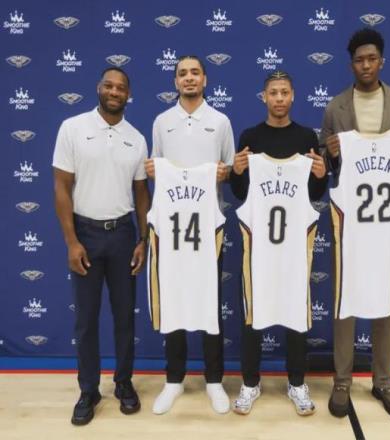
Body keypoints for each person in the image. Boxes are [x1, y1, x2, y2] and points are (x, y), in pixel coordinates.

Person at [320, 28, 390, 421]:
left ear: (381, 61)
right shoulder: (335, 107)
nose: (365, 65)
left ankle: (384, 380)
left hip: (387, 219)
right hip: (350, 219)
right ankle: (342, 380)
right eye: (359, 60)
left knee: (385, 295)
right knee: (345, 297)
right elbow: (325, 165)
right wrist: (331, 154)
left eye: (371, 58)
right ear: (351, 65)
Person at [53, 67, 150, 425]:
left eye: (121, 87)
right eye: (109, 85)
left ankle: (123, 383)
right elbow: (62, 187)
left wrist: (143, 239)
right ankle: (88, 390)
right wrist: (71, 241)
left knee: (125, 317)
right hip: (86, 235)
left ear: (128, 95)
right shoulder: (73, 128)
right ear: (98, 88)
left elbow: (142, 193)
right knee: (86, 320)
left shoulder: (136, 138)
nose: (114, 91)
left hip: (123, 234)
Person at [230, 71, 328, 416]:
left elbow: (314, 194)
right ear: (264, 97)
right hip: (258, 249)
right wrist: (237, 171)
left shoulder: (306, 138)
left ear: (293, 96)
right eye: (273, 92)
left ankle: (297, 383)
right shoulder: (250, 137)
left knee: (296, 315)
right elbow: (240, 194)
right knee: (252, 316)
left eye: (285, 92)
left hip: (293, 248)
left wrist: (321, 176)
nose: (279, 98)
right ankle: (250, 382)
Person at [145, 55, 235, 415]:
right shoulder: (162, 122)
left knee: (210, 300)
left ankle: (214, 380)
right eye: (182, 73)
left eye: (195, 72)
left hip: (208, 228)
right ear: (175, 82)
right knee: (174, 298)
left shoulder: (220, 121)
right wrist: (154, 170)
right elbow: (156, 168)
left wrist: (223, 174)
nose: (189, 78)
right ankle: (174, 379)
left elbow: (230, 169)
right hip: (172, 228)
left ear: (205, 79)